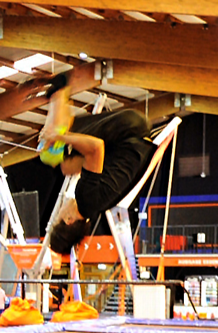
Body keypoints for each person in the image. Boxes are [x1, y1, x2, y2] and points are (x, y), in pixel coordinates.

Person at [41, 108, 155, 257]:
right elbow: (96, 147)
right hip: (129, 129)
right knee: (63, 130)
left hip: (137, 134)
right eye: (58, 216)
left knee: (68, 161)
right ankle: (57, 96)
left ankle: (58, 101)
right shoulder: (85, 198)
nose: (60, 209)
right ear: (68, 220)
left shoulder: (96, 207)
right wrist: (60, 137)